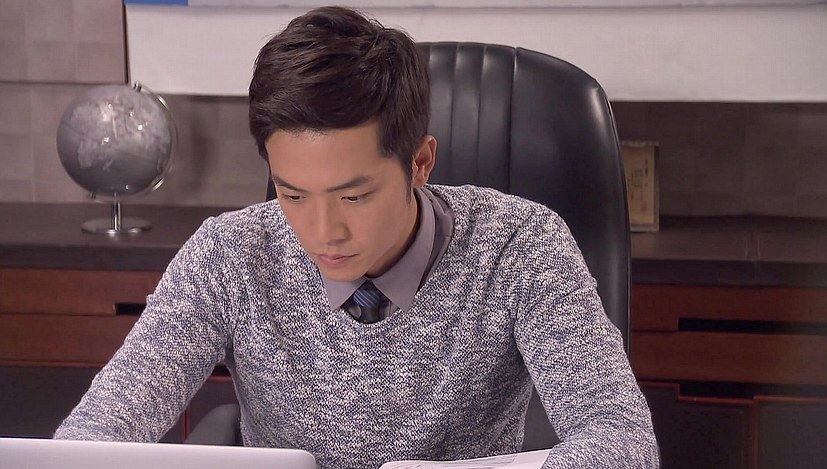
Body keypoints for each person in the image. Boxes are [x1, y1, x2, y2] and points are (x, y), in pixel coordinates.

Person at [56, 6, 659, 468]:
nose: (323, 232)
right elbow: (96, 433)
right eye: (293, 195)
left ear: (420, 163)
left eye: (353, 196)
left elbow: (622, 441)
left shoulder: (521, 245)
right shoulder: (230, 256)